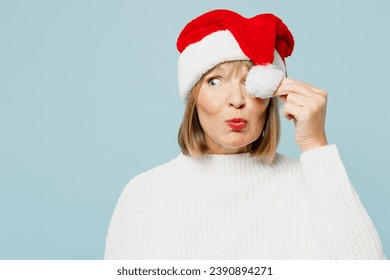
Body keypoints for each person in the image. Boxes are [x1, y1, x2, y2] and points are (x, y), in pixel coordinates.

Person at [104, 9, 384, 259]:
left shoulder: (306, 184)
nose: (237, 99)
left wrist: (315, 147)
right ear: (193, 97)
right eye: (215, 81)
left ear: (271, 95)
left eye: (251, 83)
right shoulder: (145, 196)